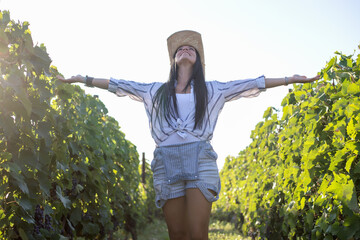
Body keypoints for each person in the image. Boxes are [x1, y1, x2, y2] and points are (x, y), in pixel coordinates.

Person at [58, 30, 319, 240]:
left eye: (191, 49)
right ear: (173, 60)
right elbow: (118, 84)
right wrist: (84, 79)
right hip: (166, 161)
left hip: (200, 159)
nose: (185, 49)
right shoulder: (154, 91)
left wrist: (289, 79)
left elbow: (252, 83)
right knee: (178, 234)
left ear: (197, 61)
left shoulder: (213, 90)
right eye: (180, 49)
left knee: (197, 233)